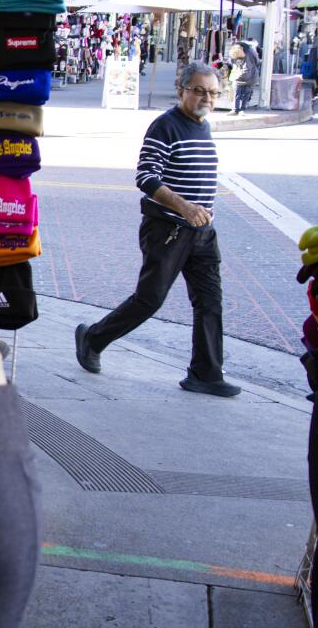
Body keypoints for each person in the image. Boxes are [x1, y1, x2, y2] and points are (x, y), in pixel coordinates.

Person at [75, 60, 240, 397]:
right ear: (182, 90)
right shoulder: (166, 126)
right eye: (198, 90)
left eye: (212, 92)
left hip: (202, 232)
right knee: (149, 299)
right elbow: (146, 177)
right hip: (169, 230)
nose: (206, 97)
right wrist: (185, 208)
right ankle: (93, 337)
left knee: (210, 301)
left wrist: (199, 214)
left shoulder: (203, 127)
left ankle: (206, 374)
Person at [228, 40, 255, 113]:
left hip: (248, 77)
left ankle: (238, 109)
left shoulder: (248, 56)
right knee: (242, 94)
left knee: (242, 94)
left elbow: (246, 70)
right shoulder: (244, 53)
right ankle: (239, 110)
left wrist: (236, 77)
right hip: (246, 77)